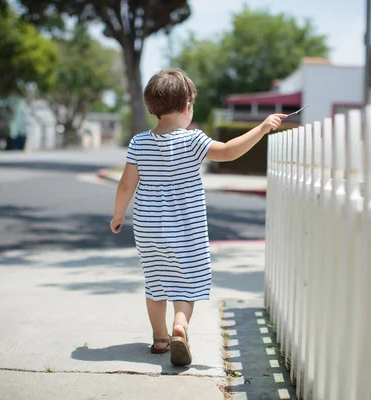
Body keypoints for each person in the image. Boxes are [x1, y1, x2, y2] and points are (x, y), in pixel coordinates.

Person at [110, 68, 286, 366]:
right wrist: (262, 128)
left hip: (148, 228)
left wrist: (118, 215)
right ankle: (180, 325)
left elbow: (127, 184)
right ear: (186, 107)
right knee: (186, 282)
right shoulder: (192, 141)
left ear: (153, 108)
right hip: (185, 230)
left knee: (155, 282)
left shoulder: (139, 142)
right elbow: (229, 151)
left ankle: (160, 338)